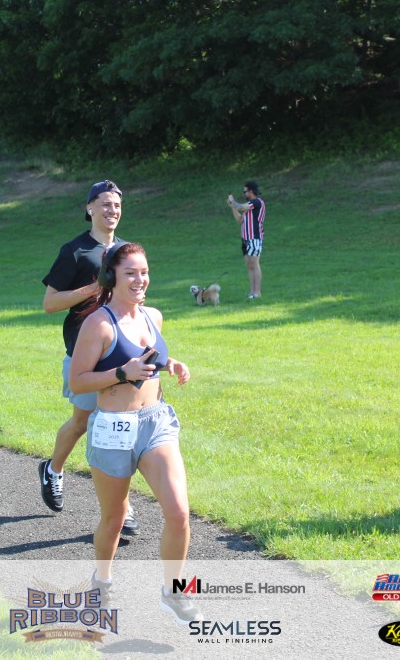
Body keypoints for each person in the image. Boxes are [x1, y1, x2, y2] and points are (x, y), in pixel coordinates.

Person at [69, 241, 203, 624]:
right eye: (131, 273)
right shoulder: (98, 324)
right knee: (114, 520)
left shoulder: (152, 316)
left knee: (179, 512)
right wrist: (120, 374)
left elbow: (150, 359)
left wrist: (171, 363)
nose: (140, 279)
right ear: (112, 276)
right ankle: (102, 581)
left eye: (144, 272)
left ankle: (173, 593)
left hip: (155, 423)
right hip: (114, 428)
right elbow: (78, 381)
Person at [39, 179, 139, 534]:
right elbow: (50, 303)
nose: (113, 210)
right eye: (106, 204)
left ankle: (121, 510)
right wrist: (93, 288)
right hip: (84, 355)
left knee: (116, 430)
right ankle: (53, 469)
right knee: (82, 423)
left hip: (119, 354)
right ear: (90, 208)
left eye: (117, 205)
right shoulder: (75, 251)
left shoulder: (126, 251)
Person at [226, 181, 266, 299]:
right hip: (245, 238)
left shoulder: (257, 202)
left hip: (254, 237)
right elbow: (240, 220)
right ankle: (252, 292)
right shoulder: (249, 207)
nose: (244, 194)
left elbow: (241, 207)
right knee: (249, 265)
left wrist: (233, 202)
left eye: (245, 191)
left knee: (255, 264)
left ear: (251, 191)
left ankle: (257, 292)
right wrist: (232, 207)